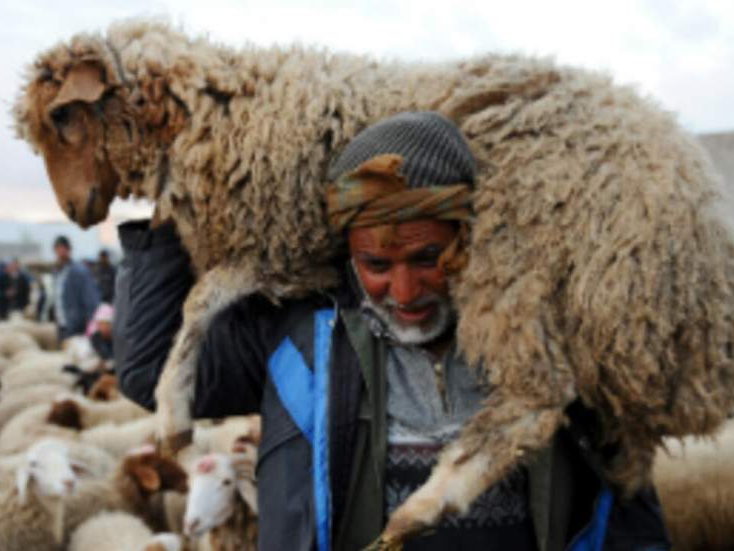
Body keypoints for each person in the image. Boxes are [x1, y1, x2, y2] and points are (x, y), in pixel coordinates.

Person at [113, 113, 670, 550]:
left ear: (471, 234)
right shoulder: (301, 338)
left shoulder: (552, 342)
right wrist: (166, 215)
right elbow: (147, 374)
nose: (404, 293)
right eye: (376, 266)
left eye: (430, 257)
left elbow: (623, 501)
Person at [50, 235, 100, 340]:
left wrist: (91, 324)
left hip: (76, 325)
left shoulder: (80, 271)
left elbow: (91, 299)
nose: (60, 252)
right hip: (61, 323)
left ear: (69, 250)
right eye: (57, 249)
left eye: (62, 248)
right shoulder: (56, 272)